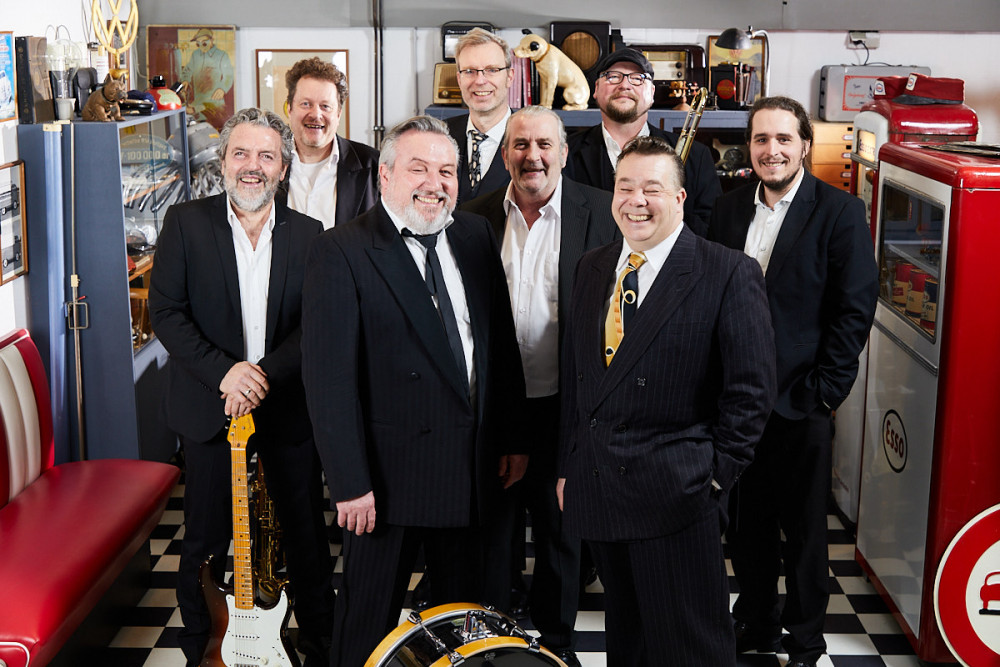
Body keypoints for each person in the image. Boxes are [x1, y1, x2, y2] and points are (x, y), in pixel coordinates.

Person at [301, 115, 527, 667]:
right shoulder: (343, 250)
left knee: (462, 629)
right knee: (366, 627)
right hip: (385, 484)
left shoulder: (473, 235)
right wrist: (349, 483)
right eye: (418, 168)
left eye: (446, 171)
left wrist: (512, 438)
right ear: (385, 176)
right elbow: (328, 381)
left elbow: (498, 347)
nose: (435, 183)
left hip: (470, 471)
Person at [557, 135, 776, 665]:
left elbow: (751, 393)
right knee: (628, 641)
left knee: (691, 647)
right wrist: (569, 465)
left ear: (679, 199)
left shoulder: (726, 271)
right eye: (625, 187)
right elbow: (579, 379)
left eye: (652, 189)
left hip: (677, 494)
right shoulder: (592, 267)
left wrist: (713, 479)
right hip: (601, 487)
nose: (636, 201)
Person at [148, 108, 335, 667]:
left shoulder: (311, 235)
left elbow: (316, 325)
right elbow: (167, 312)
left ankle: (319, 647)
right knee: (203, 543)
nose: (253, 166)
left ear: (283, 168)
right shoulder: (185, 223)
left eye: (266, 156)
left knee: (304, 539)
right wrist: (225, 373)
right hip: (209, 411)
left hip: (286, 413)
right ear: (225, 161)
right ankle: (201, 652)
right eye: (242, 154)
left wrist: (260, 377)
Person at [708, 95, 878, 667]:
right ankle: (757, 621)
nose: (772, 150)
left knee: (804, 533)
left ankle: (805, 641)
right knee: (746, 526)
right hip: (735, 403)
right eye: (761, 139)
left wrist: (824, 393)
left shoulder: (839, 211)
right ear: (748, 147)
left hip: (801, 400)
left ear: (805, 144)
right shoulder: (728, 209)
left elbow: (854, 310)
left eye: (784, 138)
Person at [460, 105, 619, 666]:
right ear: (505, 154)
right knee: (493, 536)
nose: (533, 156)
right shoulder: (473, 217)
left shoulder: (601, 213)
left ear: (564, 153)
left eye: (545, 145)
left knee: (561, 534)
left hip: (566, 406)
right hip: (493, 407)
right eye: (521, 145)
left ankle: (556, 646)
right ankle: (492, 644)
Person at [566, 48, 721, 235]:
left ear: (652, 92)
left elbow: (711, 230)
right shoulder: (565, 154)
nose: (625, 85)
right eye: (613, 77)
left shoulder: (697, 156)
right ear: (596, 89)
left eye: (638, 78)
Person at [282, 56, 379, 230]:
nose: (315, 114)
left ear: (338, 114)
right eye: (306, 104)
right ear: (290, 108)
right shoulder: (269, 163)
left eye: (325, 106)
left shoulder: (375, 166)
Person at [446, 27, 514, 202]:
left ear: (509, 77)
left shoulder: (535, 139)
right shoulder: (440, 135)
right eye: (469, 71)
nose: (480, 80)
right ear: (459, 79)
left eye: (492, 70)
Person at [180, 28, 234, 128]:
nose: (201, 46)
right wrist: (185, 80)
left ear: (212, 40)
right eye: (198, 44)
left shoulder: (222, 55)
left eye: (204, 43)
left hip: (215, 104)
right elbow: (187, 70)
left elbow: (229, 75)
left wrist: (222, 88)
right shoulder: (195, 55)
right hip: (198, 102)